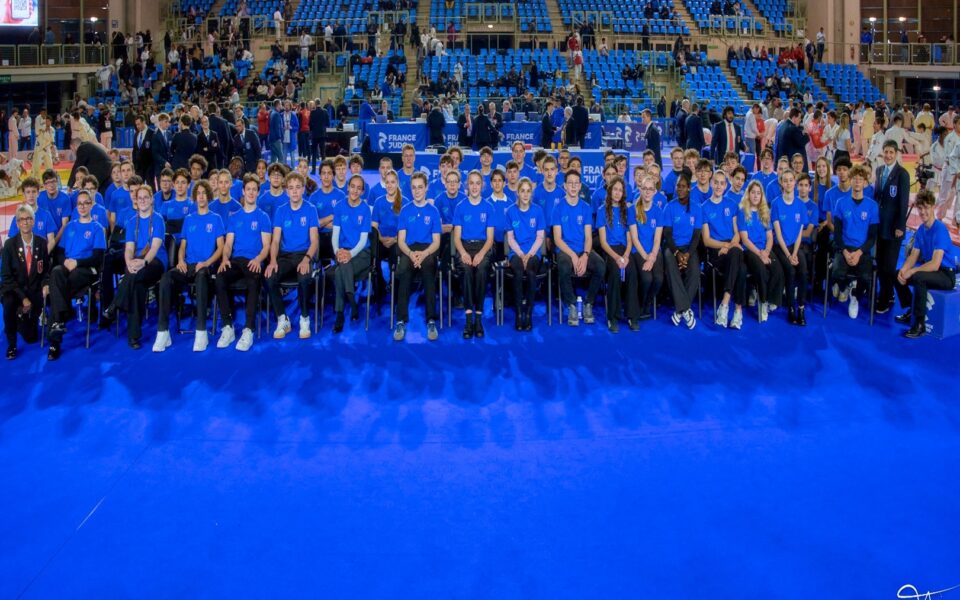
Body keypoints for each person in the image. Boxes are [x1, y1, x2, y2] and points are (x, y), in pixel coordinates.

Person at [152, 180, 224, 352]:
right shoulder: (189, 219)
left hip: (206, 266)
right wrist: (180, 260)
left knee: (201, 276)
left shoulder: (216, 219)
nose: (201, 196)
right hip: (189, 264)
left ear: (208, 196)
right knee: (166, 278)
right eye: (198, 193)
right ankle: (163, 331)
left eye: (204, 193)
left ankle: (201, 331)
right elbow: (182, 246)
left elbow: (221, 248)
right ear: (195, 197)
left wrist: (206, 263)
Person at [102, 185, 167, 349]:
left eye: (146, 197)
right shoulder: (131, 222)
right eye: (140, 198)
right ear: (136, 201)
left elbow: (154, 248)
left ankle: (115, 305)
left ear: (151, 200)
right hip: (137, 262)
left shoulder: (158, 219)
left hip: (155, 261)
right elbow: (129, 248)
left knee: (135, 275)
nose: (143, 200)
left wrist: (144, 262)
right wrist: (129, 263)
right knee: (136, 284)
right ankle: (134, 336)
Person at [45, 190, 107, 360]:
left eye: (86, 203)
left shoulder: (97, 228)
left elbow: (98, 257)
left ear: (91, 205)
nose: (82, 206)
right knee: (56, 272)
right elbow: (59, 252)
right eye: (79, 203)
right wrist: (65, 261)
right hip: (69, 265)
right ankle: (61, 318)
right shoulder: (70, 226)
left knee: (60, 286)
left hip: (87, 269)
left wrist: (77, 263)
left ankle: (55, 338)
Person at [215, 174, 271, 351]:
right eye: (248, 189)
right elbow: (228, 244)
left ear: (258, 192)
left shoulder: (263, 217)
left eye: (254, 189)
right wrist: (225, 259)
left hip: (254, 260)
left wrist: (258, 260)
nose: (251, 192)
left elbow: (266, 246)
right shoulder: (234, 216)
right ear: (244, 191)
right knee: (220, 277)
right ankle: (227, 327)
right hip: (236, 260)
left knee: (253, 281)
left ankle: (248, 329)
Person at [265, 171, 320, 339]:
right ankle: (283, 318)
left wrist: (306, 260)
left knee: (304, 277)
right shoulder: (281, 211)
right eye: (291, 188)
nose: (294, 191)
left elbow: (314, 241)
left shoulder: (310, 209)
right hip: (285, 256)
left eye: (297, 187)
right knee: (269, 276)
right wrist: (272, 261)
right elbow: (275, 241)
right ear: (287, 191)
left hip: (305, 254)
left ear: (303, 189)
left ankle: (304, 317)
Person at [894, 190, 956, 338]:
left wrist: (912, 271)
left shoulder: (940, 229)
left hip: (946, 274)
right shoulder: (921, 230)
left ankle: (920, 324)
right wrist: (904, 270)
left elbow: (935, 264)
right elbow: (913, 256)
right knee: (896, 273)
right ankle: (911, 309)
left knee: (918, 278)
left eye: (926, 207)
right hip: (933, 271)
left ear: (933, 207)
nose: (922, 212)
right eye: (920, 208)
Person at [394, 172, 442, 342]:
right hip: (409, 250)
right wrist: (411, 254)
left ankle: (431, 320)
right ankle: (401, 321)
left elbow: (436, 242)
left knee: (429, 270)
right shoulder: (405, 210)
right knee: (404, 270)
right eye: (414, 188)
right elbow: (400, 240)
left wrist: (424, 254)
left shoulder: (433, 211)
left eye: (420, 187)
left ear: (426, 188)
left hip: (427, 250)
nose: (417, 191)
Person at [552, 169, 604, 326]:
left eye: (576, 183)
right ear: (565, 186)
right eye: (570, 183)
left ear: (580, 186)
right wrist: (573, 256)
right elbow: (557, 239)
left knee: (600, 266)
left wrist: (585, 255)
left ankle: (588, 303)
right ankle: (572, 305)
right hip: (565, 250)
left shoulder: (586, 207)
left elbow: (588, 237)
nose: (573, 186)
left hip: (583, 249)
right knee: (563, 266)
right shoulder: (558, 208)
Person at [1, 205, 50, 359]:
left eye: (29, 218)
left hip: (34, 290)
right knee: (8, 302)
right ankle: (11, 344)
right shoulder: (9, 245)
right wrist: (23, 298)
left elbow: (46, 271)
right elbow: (6, 277)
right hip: (14, 291)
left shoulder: (42, 243)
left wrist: (46, 284)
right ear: (17, 223)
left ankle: (20, 318)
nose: (25, 222)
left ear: (33, 221)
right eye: (22, 219)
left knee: (31, 338)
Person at [830, 164, 878, 319]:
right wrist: (845, 252)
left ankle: (855, 296)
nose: (857, 182)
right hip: (844, 247)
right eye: (855, 179)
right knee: (837, 273)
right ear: (850, 181)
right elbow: (837, 234)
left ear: (865, 183)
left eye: (860, 179)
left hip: (862, 250)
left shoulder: (872, 206)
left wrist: (858, 253)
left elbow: (872, 237)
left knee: (866, 277)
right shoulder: (841, 203)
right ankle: (843, 286)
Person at [452, 170, 495, 338]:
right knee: (466, 270)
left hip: (483, 247)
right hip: (464, 246)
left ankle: (478, 317)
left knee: (482, 270)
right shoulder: (460, 207)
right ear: (467, 185)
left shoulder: (489, 207)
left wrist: (481, 254)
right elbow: (456, 238)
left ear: (482, 185)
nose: (475, 186)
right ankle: (469, 319)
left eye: (478, 183)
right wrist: (463, 253)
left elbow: (490, 239)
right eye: (471, 183)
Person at [701, 170, 746, 329]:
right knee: (741, 267)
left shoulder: (732, 205)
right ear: (711, 183)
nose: (719, 186)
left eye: (722, 183)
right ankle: (737, 311)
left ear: (726, 185)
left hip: (731, 246)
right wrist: (724, 246)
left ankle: (725, 304)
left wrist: (729, 246)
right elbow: (706, 240)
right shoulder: (704, 207)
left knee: (737, 256)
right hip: (716, 250)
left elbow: (737, 233)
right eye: (716, 182)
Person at [596, 176, 637, 332]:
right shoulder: (602, 211)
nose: (617, 193)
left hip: (624, 249)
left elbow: (630, 238)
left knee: (632, 271)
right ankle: (612, 317)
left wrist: (625, 256)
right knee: (614, 272)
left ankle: (632, 316)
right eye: (615, 189)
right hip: (610, 250)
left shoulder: (628, 210)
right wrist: (616, 258)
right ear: (610, 191)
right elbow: (603, 242)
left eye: (620, 190)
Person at [873, 140, 910, 314]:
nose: (888, 155)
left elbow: (903, 202)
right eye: (886, 152)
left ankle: (885, 299)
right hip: (880, 225)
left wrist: (900, 226)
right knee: (880, 263)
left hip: (894, 228)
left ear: (896, 154)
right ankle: (888, 294)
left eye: (891, 152)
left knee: (889, 266)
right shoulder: (879, 170)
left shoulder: (902, 174)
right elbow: (877, 197)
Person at [738, 180, 784, 322]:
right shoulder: (742, 212)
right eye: (753, 193)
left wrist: (766, 252)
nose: (756, 196)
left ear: (762, 195)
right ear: (748, 194)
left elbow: (770, 236)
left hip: (765, 249)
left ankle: (769, 299)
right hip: (750, 250)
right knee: (761, 271)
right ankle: (762, 302)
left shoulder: (765, 212)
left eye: (758, 193)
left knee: (778, 270)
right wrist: (759, 254)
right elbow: (745, 239)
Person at [331, 175, 372, 333]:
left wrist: (349, 254)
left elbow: (363, 241)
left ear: (362, 191)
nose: (355, 190)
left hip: (361, 253)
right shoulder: (339, 207)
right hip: (342, 251)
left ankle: (341, 312)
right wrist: (337, 252)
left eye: (358, 188)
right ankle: (349, 303)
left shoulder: (365, 209)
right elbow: (335, 235)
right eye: (352, 186)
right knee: (341, 270)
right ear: (347, 187)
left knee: (339, 271)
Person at [505, 177, 546, 332]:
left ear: (531, 193)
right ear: (517, 193)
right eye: (522, 191)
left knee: (530, 272)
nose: (525, 194)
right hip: (516, 252)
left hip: (533, 252)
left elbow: (540, 237)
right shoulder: (510, 211)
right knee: (517, 271)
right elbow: (510, 238)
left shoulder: (538, 211)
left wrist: (529, 254)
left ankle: (528, 313)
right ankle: (518, 313)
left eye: (528, 191)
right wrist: (521, 254)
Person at [661, 170, 699, 329]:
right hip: (672, 247)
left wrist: (688, 254)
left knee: (695, 271)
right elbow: (667, 235)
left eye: (683, 186)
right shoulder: (669, 207)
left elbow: (697, 235)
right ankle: (685, 309)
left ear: (689, 188)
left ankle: (680, 310)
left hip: (689, 248)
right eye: (678, 186)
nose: (680, 189)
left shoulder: (696, 208)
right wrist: (677, 253)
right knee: (670, 264)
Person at [771, 169, 809, 325]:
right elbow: (778, 234)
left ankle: (801, 307)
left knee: (803, 271)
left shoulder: (800, 205)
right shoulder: (776, 204)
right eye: (785, 180)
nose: (788, 183)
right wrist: (788, 255)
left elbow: (799, 233)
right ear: (781, 183)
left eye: (791, 180)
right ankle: (791, 307)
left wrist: (795, 253)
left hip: (795, 246)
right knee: (791, 271)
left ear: (795, 182)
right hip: (781, 247)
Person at [629, 175, 665, 323]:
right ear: (640, 189)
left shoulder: (658, 211)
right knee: (646, 278)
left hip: (654, 251)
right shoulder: (632, 210)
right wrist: (646, 257)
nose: (648, 191)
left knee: (658, 279)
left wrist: (652, 256)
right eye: (645, 188)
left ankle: (647, 303)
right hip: (638, 251)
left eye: (651, 189)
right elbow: (634, 239)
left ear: (655, 191)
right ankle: (640, 303)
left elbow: (657, 239)